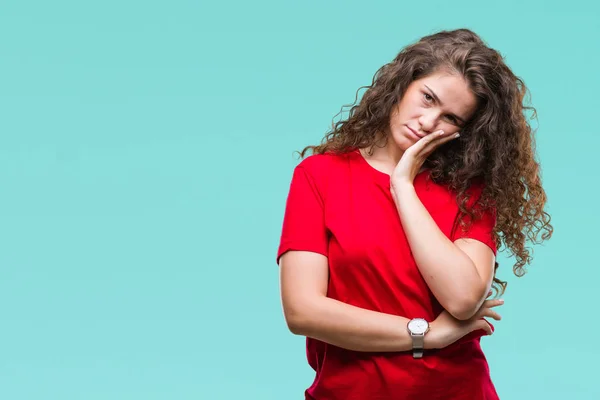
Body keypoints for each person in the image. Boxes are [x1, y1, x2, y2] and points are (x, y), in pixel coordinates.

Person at [275, 28, 553, 400]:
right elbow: (303, 311)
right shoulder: (320, 176)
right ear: (403, 83)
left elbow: (463, 298)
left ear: (464, 131)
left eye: (450, 118)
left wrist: (403, 187)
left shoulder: (469, 191)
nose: (427, 121)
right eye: (427, 98)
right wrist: (424, 334)